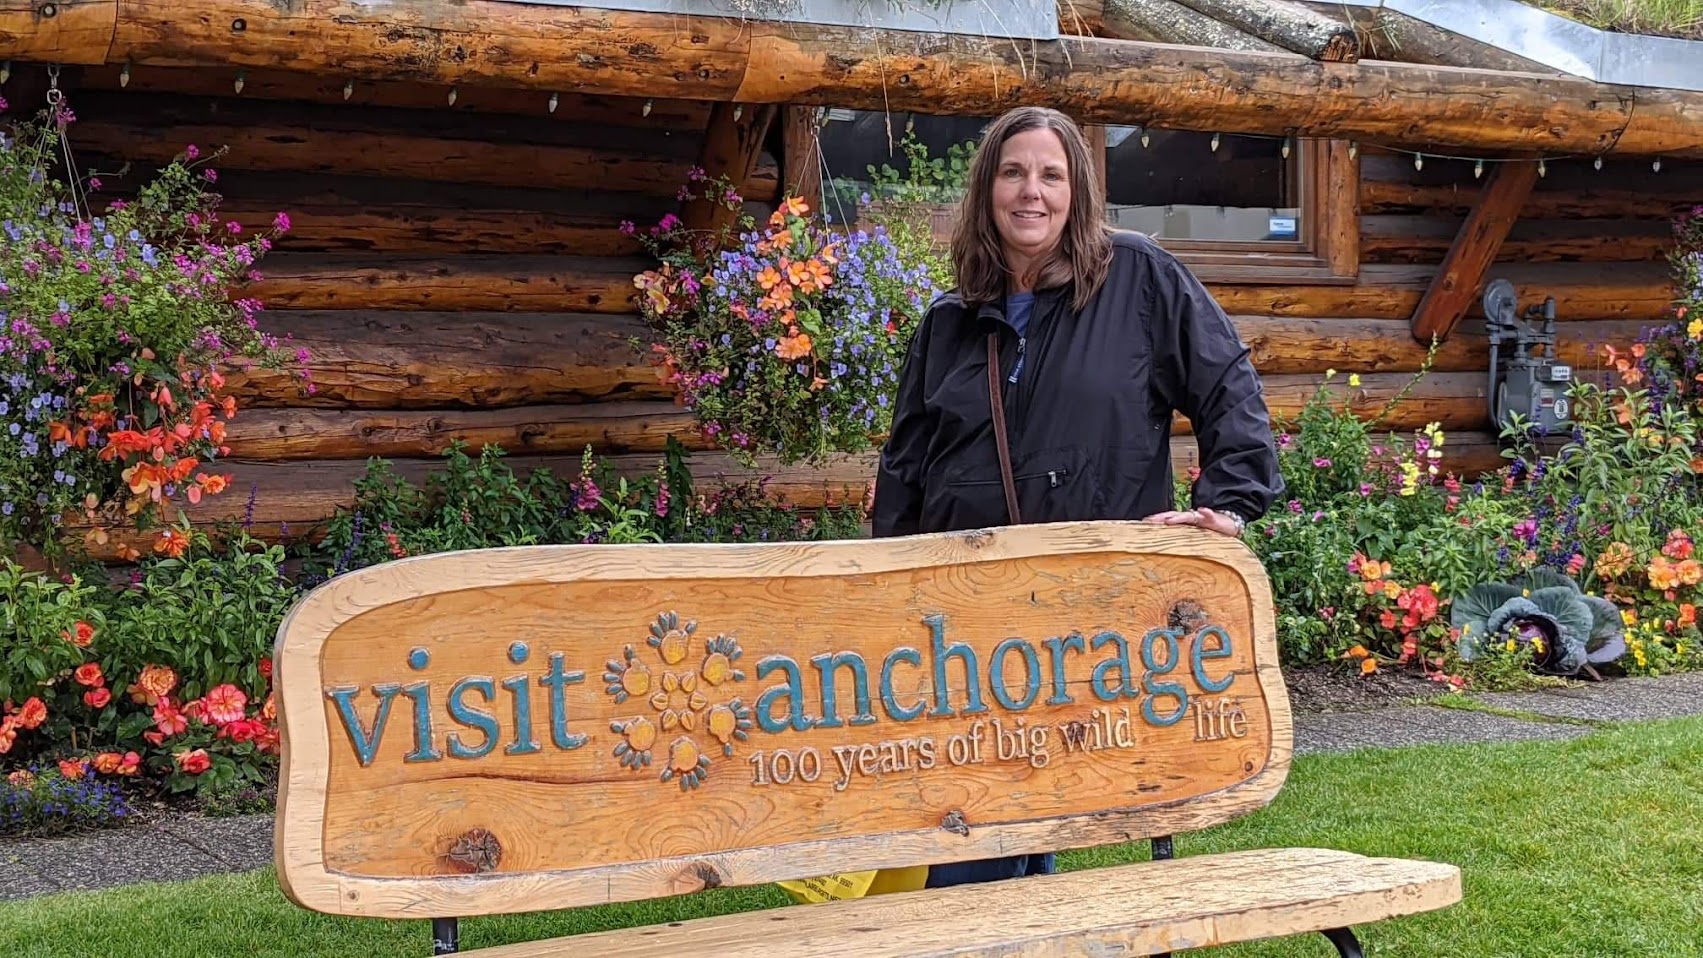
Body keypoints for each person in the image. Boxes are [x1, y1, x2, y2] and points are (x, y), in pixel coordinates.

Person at [869, 106, 1284, 887]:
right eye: (1013, 172)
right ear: (987, 189)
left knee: (1031, 808)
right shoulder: (950, 320)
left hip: (1089, 613)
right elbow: (907, 466)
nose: (1031, 192)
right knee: (980, 811)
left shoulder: (1138, 279)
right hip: (969, 615)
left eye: (1050, 175)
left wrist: (1223, 506)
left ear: (1078, 191)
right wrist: (883, 591)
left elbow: (1227, 385)